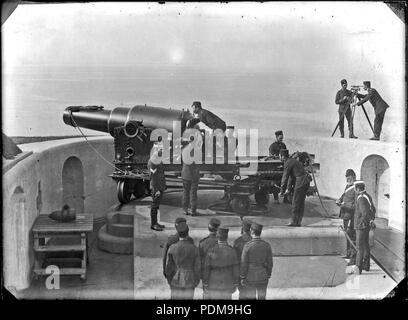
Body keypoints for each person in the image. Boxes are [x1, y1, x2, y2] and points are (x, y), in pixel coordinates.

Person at [165, 222, 201, 299]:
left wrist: (169, 280)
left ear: (178, 233)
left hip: (175, 279)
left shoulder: (172, 247)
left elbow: (168, 267)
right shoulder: (194, 249)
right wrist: (196, 281)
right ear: (187, 233)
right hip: (190, 280)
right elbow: (197, 268)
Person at [202, 227, 239, 300]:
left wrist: (205, 283)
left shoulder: (211, 251)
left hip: (213, 282)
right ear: (227, 237)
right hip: (227, 282)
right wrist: (235, 283)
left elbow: (206, 269)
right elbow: (235, 269)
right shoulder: (232, 251)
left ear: (217, 237)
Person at [240, 222, 273, 300]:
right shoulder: (266, 245)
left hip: (250, 276)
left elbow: (243, 263)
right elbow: (270, 262)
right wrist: (268, 274)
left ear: (252, 231)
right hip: (263, 275)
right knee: (262, 297)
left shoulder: (248, 245)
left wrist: (243, 276)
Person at [279, 151, 312, 226]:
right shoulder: (293, 161)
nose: (279, 158)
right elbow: (291, 177)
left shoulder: (287, 163)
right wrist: (288, 189)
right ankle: (298, 221)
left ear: (282, 156)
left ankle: (294, 222)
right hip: (305, 181)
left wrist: (282, 191)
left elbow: (285, 178)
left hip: (301, 182)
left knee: (296, 202)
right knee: (300, 202)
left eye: (279, 156)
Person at [353, 180, 376, 274]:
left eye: (355, 189)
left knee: (359, 247)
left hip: (361, 226)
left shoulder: (361, 198)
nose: (354, 190)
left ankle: (358, 268)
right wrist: (370, 221)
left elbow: (365, 213)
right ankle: (366, 266)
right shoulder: (368, 196)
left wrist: (361, 223)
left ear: (358, 189)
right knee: (366, 245)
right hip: (366, 226)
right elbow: (373, 210)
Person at [336, 169, 357, 265]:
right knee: (347, 235)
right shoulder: (348, 186)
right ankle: (348, 254)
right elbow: (344, 195)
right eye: (346, 178)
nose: (347, 180)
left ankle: (353, 257)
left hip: (351, 216)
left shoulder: (356, 188)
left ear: (354, 177)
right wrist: (339, 200)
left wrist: (343, 204)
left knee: (351, 236)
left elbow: (355, 205)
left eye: (349, 178)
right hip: (345, 215)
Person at [199, 217, 221, 298]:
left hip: (206, 275)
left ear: (209, 228)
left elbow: (200, 261)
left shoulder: (202, 243)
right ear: (218, 229)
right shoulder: (221, 242)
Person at [147, 147, 166, 231]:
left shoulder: (157, 159)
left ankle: (155, 222)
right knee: (154, 206)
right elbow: (153, 177)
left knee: (157, 205)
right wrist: (157, 189)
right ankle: (153, 224)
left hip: (159, 185)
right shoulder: (153, 162)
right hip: (156, 187)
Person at [233, 218, 252, 299]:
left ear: (242, 229)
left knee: (242, 294)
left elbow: (235, 260)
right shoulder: (254, 241)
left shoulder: (238, 241)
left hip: (241, 273)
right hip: (253, 274)